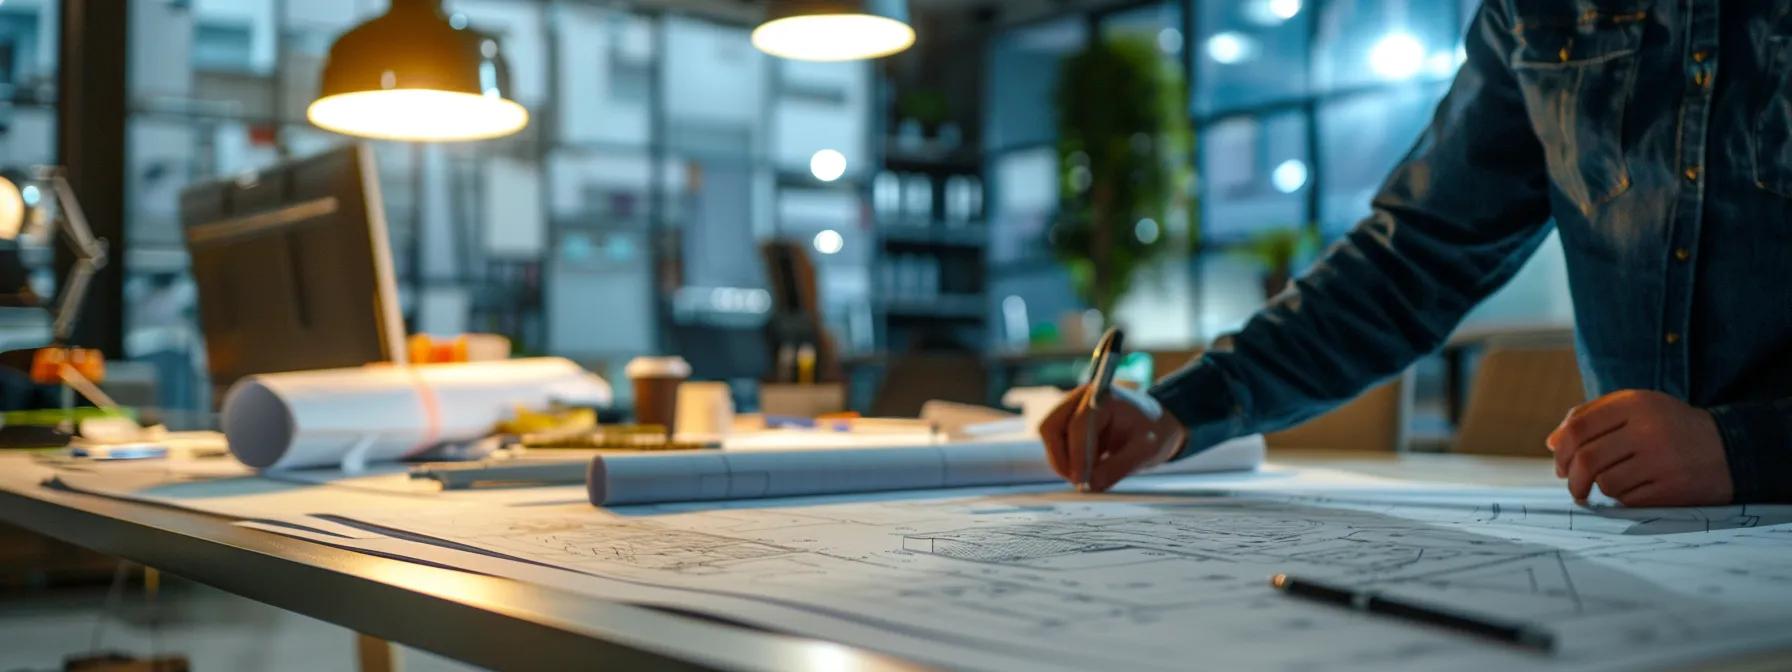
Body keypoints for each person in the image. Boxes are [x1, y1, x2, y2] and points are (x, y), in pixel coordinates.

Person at [1041, 0, 1792, 507]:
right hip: (1637, 543)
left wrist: (1742, 450)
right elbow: (1410, 260)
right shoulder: (1540, 12)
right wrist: (1178, 409)